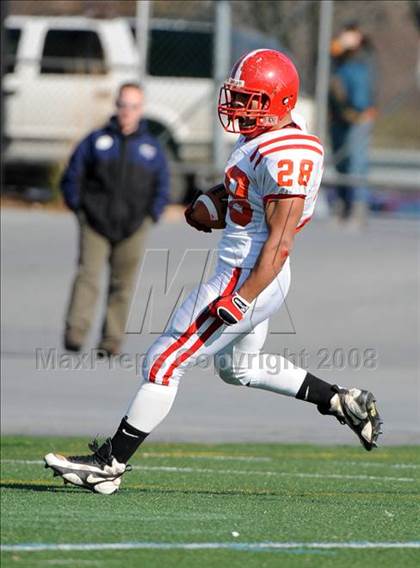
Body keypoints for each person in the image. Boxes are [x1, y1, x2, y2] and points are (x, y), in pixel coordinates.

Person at [45, 50, 382, 495]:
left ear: (279, 102)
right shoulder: (261, 140)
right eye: (239, 97)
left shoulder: (288, 150)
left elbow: (280, 240)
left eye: (252, 100)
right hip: (258, 274)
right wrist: (219, 202)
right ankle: (340, 399)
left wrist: (241, 296)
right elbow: (251, 200)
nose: (239, 107)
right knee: (239, 368)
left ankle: (110, 464)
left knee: (163, 362)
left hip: (249, 275)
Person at [61, 83, 170, 356]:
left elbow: (163, 186)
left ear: (141, 110)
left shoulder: (151, 149)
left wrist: (150, 216)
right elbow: (73, 175)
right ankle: (76, 332)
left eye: (133, 106)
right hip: (95, 223)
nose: (126, 111)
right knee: (88, 276)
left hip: (133, 226)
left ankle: (111, 340)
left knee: (123, 284)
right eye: (122, 105)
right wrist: (80, 209)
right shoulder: (96, 141)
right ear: (116, 106)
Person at [329, 24, 377, 227]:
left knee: (357, 163)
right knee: (341, 163)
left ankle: (358, 207)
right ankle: (343, 206)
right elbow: (327, 57)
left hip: (360, 116)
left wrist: (359, 41)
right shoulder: (339, 57)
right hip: (340, 116)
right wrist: (341, 44)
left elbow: (368, 78)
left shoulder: (364, 55)